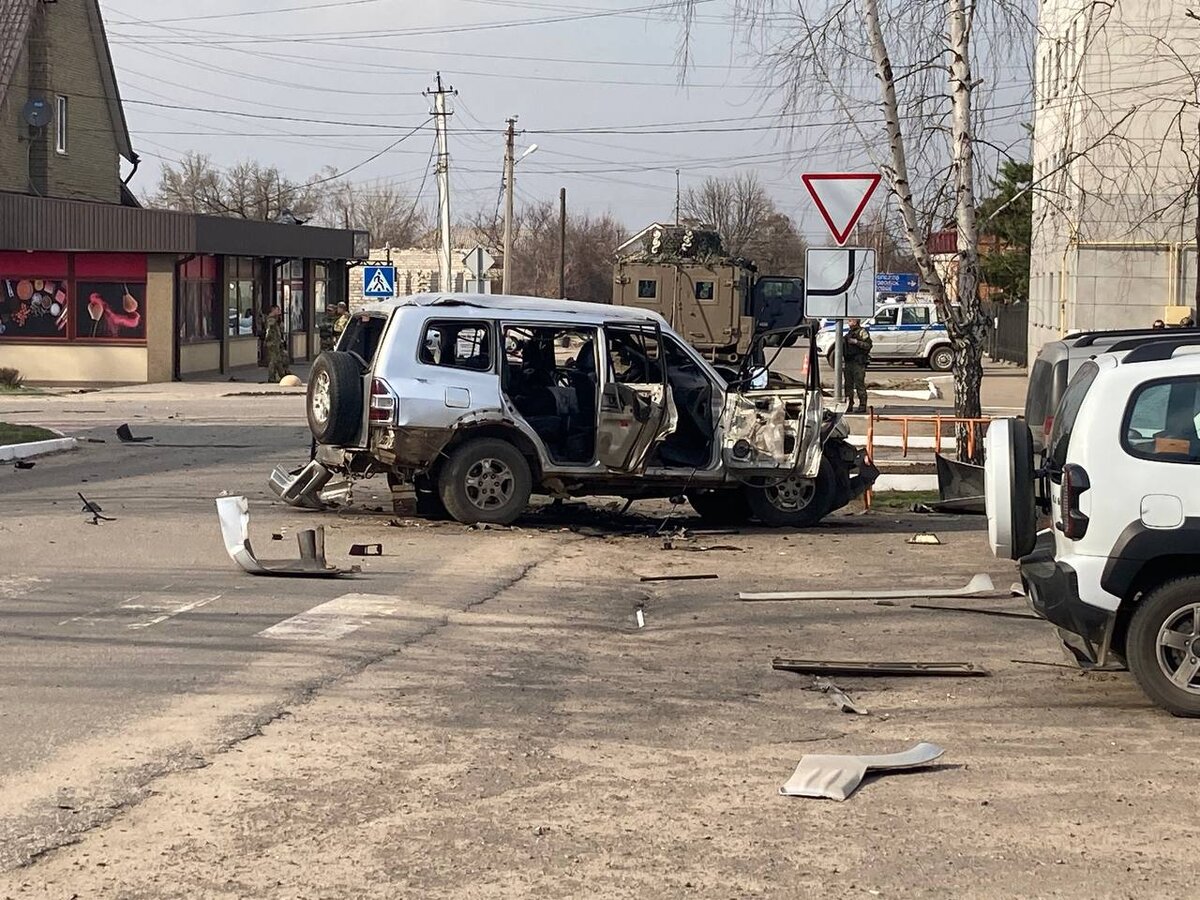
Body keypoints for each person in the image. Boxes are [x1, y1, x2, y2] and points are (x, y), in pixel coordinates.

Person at [842, 317, 872, 414]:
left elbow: (868, 345)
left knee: (859, 384)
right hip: (849, 362)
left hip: (858, 362)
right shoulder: (849, 333)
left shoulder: (862, 332)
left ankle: (862, 405)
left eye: (851, 321)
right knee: (848, 385)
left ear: (856, 322)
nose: (849, 322)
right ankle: (849, 404)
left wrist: (856, 342)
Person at [264, 304, 290, 383]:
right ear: (273, 310)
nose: (279, 312)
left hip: (277, 342)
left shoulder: (276, 319)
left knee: (280, 359)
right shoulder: (270, 319)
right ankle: (271, 377)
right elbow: (270, 328)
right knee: (273, 360)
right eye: (277, 310)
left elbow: (278, 331)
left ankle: (282, 374)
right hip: (272, 343)